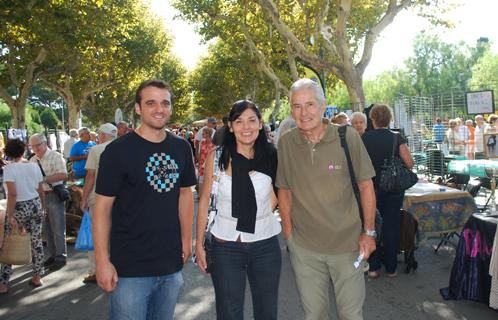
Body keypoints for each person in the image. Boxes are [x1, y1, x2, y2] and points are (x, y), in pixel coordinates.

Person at [93, 79, 196, 320]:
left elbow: (185, 194)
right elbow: (102, 209)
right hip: (129, 268)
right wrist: (102, 261)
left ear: (170, 108)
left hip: (170, 265)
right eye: (151, 103)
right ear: (138, 108)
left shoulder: (181, 148)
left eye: (165, 103)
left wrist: (186, 238)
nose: (159, 109)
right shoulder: (117, 152)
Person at [276, 78, 376, 319]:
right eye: (297, 106)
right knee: (315, 315)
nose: (304, 112)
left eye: (310, 104)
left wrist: (369, 232)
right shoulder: (287, 143)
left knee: (350, 315)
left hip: (348, 246)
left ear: (323, 107)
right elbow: (284, 190)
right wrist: (289, 235)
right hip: (305, 250)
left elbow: (366, 186)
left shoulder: (346, 136)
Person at [195, 100, 281, 319]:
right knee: (229, 311)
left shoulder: (272, 155)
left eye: (252, 120)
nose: (246, 127)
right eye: (239, 121)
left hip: (265, 245)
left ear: (260, 124)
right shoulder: (217, 157)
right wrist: (199, 245)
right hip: (225, 246)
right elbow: (204, 201)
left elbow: (278, 196)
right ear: (231, 126)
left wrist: (260, 213)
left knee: (267, 311)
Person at [362, 104, 414, 279]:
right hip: (393, 189)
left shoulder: (364, 138)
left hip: (371, 189)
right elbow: (410, 163)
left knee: (372, 226)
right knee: (391, 226)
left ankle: (373, 267)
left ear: (372, 119)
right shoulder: (396, 138)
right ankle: (391, 268)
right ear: (389, 119)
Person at [0, 139, 46, 293]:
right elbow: (41, 190)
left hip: (19, 206)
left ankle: (4, 282)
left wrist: (11, 214)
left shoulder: (9, 169)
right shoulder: (34, 166)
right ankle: (38, 276)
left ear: (8, 153)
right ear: (23, 150)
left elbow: (12, 193)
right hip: (35, 204)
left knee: (9, 240)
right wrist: (43, 208)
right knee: (36, 241)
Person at [79, 123, 117, 284]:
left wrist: (83, 198)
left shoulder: (96, 150)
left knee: (99, 234)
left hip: (98, 197)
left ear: (101, 135)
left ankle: (96, 270)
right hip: (121, 199)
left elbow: (90, 176)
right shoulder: (124, 147)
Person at [29, 133, 68, 270]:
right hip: (40, 196)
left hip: (53, 194)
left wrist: (43, 179)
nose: (35, 148)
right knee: (47, 229)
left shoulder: (55, 156)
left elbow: (64, 175)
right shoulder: (32, 160)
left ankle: (61, 256)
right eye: (32, 146)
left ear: (45, 143)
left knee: (58, 228)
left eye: (38, 145)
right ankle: (52, 255)